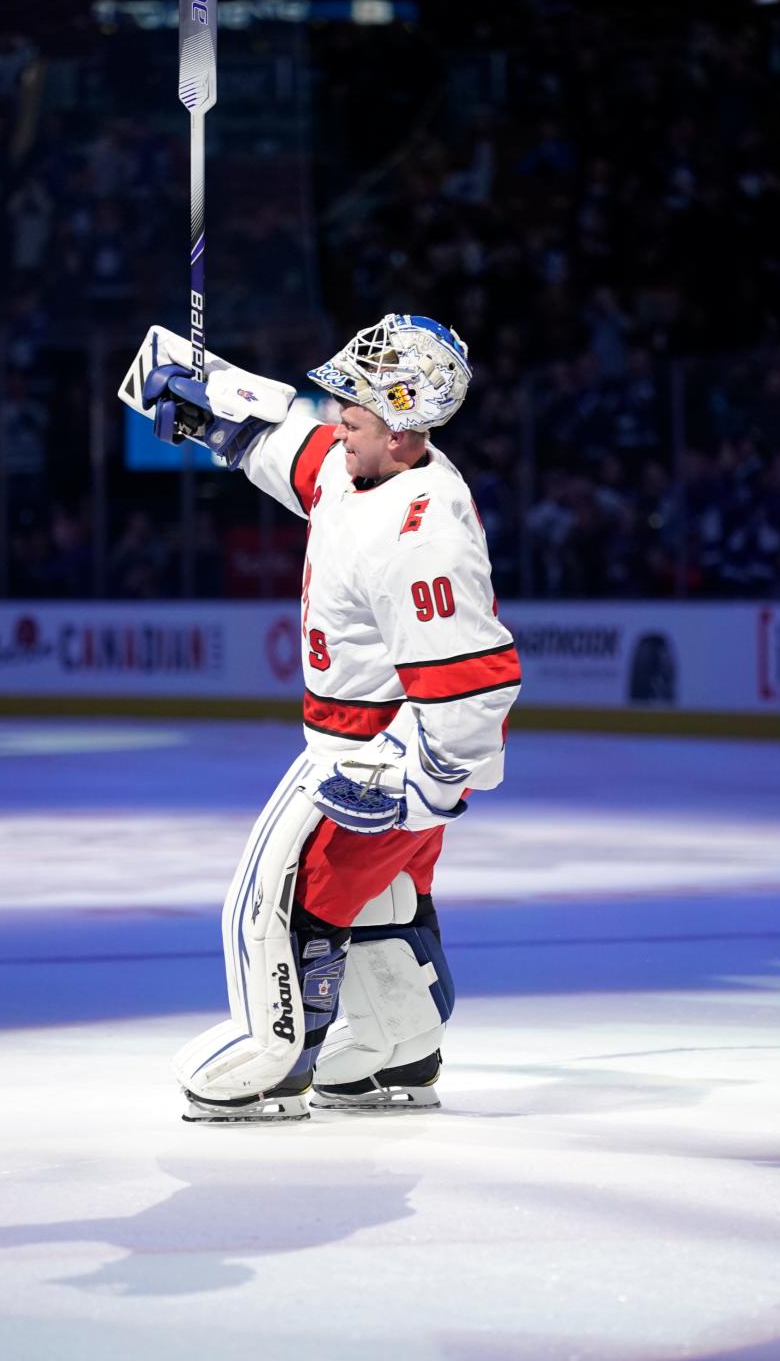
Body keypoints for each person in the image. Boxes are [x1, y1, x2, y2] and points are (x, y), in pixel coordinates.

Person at [125, 313, 522, 1122]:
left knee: (276, 891)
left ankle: (275, 1054)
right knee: (379, 896)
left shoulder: (422, 532)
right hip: (374, 751)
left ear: (407, 426)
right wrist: (207, 403)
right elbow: (290, 447)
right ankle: (393, 1043)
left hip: (379, 754)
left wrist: (426, 780)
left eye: (359, 406)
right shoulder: (356, 469)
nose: (339, 413)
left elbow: (473, 681)